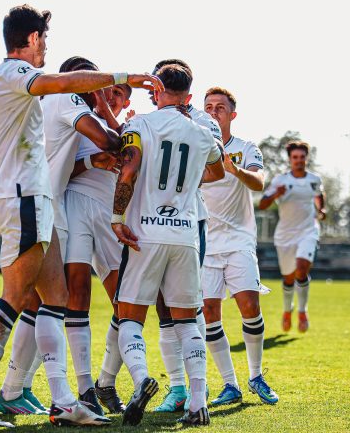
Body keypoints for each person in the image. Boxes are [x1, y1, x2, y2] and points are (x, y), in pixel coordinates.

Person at [0, 4, 162, 428]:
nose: (46, 46)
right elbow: (65, 82)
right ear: (31, 39)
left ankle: (64, 400)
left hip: (38, 197)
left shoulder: (20, 83)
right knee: (15, 296)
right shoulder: (13, 73)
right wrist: (121, 79)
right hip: (23, 196)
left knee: (56, 299)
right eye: (43, 38)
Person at [0, 56, 121, 417]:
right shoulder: (69, 100)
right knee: (40, 300)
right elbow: (110, 141)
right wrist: (102, 109)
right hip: (46, 204)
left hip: (36, 199)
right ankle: (58, 398)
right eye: (93, 85)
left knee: (36, 301)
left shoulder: (43, 102)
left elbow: (68, 157)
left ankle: (15, 389)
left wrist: (92, 162)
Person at [112, 64, 225, 427]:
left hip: (145, 233)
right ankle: (197, 401)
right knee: (188, 321)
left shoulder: (140, 124)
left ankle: (143, 377)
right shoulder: (203, 134)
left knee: (129, 315)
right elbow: (217, 170)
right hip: (186, 235)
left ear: (156, 89)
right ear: (189, 97)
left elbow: (127, 171)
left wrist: (117, 218)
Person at [200, 87, 279, 405]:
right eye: (208, 107)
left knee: (249, 306)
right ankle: (229, 384)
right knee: (209, 313)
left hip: (238, 241)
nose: (213, 112)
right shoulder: (195, 148)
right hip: (205, 241)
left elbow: (259, 183)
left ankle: (256, 375)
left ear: (232, 115)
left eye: (220, 107)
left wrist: (235, 169)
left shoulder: (246, 148)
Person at [62, 83, 132, 415]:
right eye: (106, 91)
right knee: (78, 294)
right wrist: (94, 160)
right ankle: (84, 387)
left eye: (118, 93)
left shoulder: (130, 129)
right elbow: (60, 169)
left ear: (127, 101)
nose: (111, 97)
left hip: (111, 216)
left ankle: (106, 381)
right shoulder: (79, 121)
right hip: (75, 205)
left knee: (125, 304)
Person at [258, 140, 326, 333]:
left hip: (308, 230)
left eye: (302, 157)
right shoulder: (280, 181)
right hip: (285, 235)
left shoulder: (314, 179)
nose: (298, 160)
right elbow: (262, 204)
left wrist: (321, 209)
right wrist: (274, 195)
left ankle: (303, 312)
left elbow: (319, 194)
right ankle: (288, 310)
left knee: (302, 269)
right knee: (288, 278)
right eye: (295, 157)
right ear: (290, 159)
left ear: (306, 158)